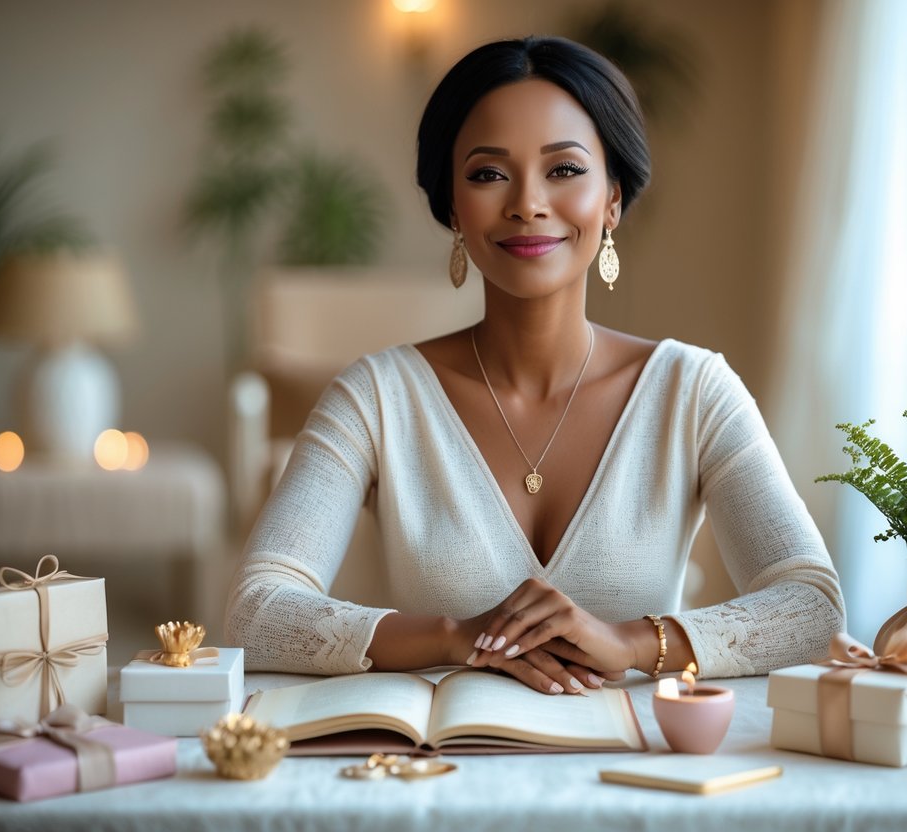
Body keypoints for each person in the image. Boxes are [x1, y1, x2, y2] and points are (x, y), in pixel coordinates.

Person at [225, 36, 844, 695]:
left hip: (639, 772)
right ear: (453, 208)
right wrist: (455, 636)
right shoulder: (374, 396)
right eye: (489, 173)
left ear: (611, 199)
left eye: (564, 169)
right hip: (438, 775)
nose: (527, 201)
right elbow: (256, 612)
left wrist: (629, 641)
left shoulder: (693, 392)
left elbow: (813, 609)